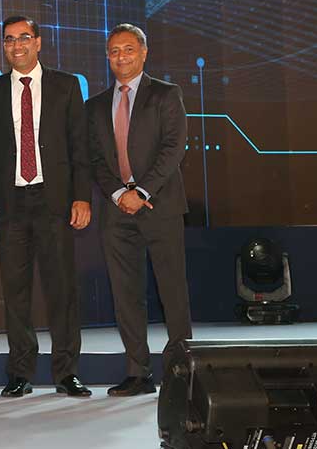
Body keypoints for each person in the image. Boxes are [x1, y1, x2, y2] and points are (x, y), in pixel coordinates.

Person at [0, 16, 92, 398]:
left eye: (24, 38)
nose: (17, 46)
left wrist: (82, 196)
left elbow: (80, 146)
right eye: (9, 39)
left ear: (39, 42)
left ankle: (67, 372)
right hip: (10, 204)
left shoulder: (66, 86)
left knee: (62, 291)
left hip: (55, 201)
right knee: (15, 294)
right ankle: (20, 373)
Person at [86, 23, 192, 396]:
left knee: (172, 290)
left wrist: (142, 190)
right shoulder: (95, 106)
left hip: (159, 204)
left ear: (144, 53)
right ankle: (138, 373)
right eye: (114, 51)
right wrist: (119, 194)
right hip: (117, 210)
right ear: (107, 56)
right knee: (125, 293)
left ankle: (182, 372)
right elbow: (95, 158)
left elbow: (174, 147)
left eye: (129, 49)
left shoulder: (166, 94)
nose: (121, 57)